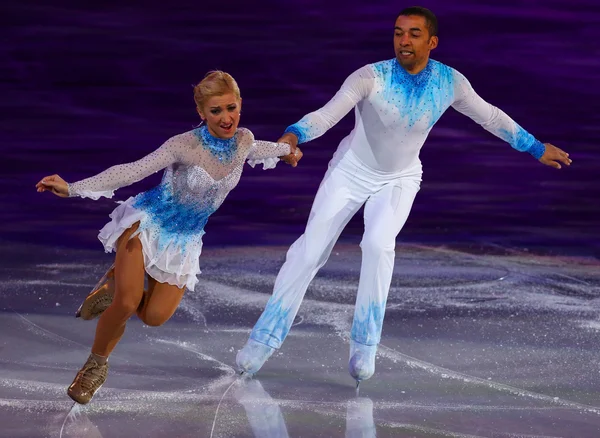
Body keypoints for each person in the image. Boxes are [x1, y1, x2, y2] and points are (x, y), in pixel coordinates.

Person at [236, 6, 571, 386]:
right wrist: (293, 135)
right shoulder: (370, 77)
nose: (403, 40)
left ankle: (365, 344)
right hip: (350, 172)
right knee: (310, 250)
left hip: (400, 178)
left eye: (413, 34)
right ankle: (263, 340)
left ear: (432, 42)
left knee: (379, 246)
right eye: (398, 33)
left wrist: (534, 146)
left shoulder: (450, 82)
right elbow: (326, 115)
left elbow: (490, 117)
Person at [36, 70, 301, 404]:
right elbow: (132, 169)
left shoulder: (244, 140)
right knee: (128, 303)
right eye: (215, 111)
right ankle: (95, 366)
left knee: (154, 316)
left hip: (184, 240)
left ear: (240, 104)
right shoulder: (184, 145)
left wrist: (285, 150)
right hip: (147, 224)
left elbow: (259, 148)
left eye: (230, 108)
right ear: (201, 114)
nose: (225, 118)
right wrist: (73, 188)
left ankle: (110, 286)